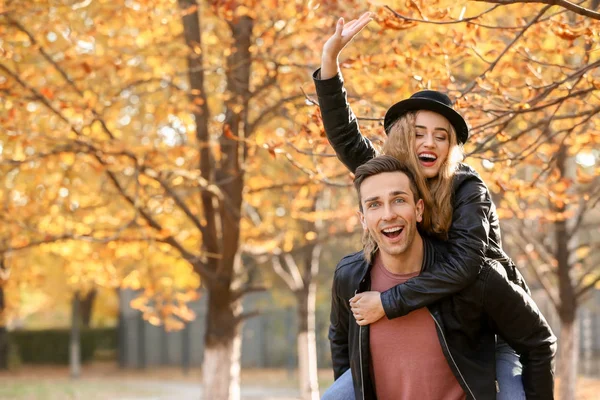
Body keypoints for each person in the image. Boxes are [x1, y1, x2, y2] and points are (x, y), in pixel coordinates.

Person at [315, 12, 536, 400]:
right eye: (419, 134)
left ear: (451, 146)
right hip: (423, 321)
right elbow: (347, 138)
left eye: (441, 136)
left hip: (483, 328)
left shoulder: (468, 189)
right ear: (403, 138)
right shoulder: (395, 181)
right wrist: (330, 61)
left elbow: (464, 267)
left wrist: (387, 301)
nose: (429, 144)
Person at [327, 155, 556, 400]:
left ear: (418, 209)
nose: (388, 214)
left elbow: (539, 343)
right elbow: (343, 348)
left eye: (399, 200)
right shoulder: (349, 277)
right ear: (363, 219)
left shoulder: (473, 276)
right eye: (374, 205)